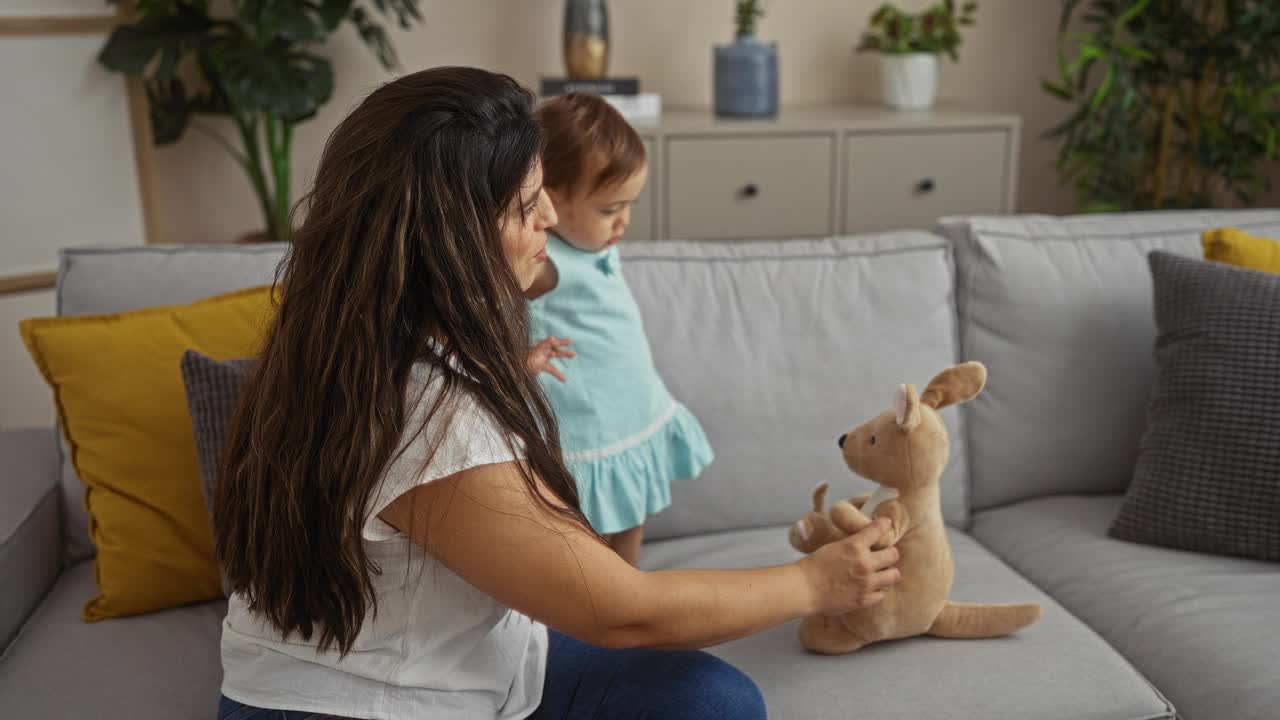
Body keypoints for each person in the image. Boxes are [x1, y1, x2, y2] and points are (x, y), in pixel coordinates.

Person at [212, 66, 901, 720]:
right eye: (521, 204)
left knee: (713, 701)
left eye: (542, 187)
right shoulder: (429, 419)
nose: (548, 214)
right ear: (447, 241)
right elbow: (624, 611)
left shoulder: (356, 338)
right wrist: (814, 582)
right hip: (355, 704)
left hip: (469, 663)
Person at [522, 92, 711, 565]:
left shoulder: (595, 241)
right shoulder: (543, 259)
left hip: (631, 403)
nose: (624, 222)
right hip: (587, 421)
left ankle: (628, 585)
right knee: (581, 528)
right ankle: (598, 600)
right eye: (609, 210)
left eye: (629, 205)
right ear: (548, 199)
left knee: (631, 511)